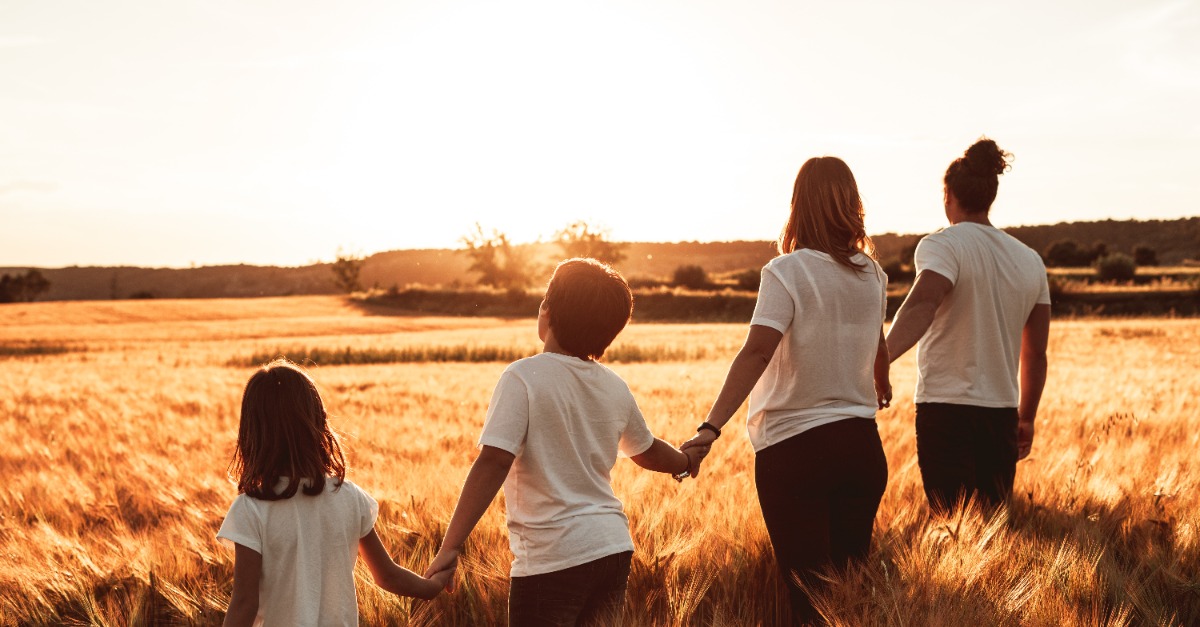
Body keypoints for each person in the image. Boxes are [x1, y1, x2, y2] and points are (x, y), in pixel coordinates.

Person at [423, 258, 705, 627]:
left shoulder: (523, 376)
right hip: (611, 547)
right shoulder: (613, 384)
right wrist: (685, 462)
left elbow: (493, 462)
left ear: (546, 311)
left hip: (553, 556)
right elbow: (648, 449)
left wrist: (450, 548)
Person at [682, 156, 891, 625]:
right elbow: (876, 338)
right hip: (861, 447)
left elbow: (757, 353)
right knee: (849, 599)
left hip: (797, 452)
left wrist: (710, 427)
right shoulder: (873, 274)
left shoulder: (786, 272)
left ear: (798, 206)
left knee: (810, 606)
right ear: (853, 206)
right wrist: (883, 381)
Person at [217, 359, 452, 627]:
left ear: (252, 433)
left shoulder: (252, 508)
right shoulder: (350, 498)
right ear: (317, 421)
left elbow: (245, 603)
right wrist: (431, 586)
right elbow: (387, 576)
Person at [885, 138, 1050, 515]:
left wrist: (880, 359)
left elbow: (923, 303)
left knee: (950, 524)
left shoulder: (943, 246)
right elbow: (1035, 353)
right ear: (990, 195)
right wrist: (1026, 416)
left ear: (948, 195)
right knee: (991, 528)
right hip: (1002, 412)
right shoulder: (1030, 261)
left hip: (946, 409)